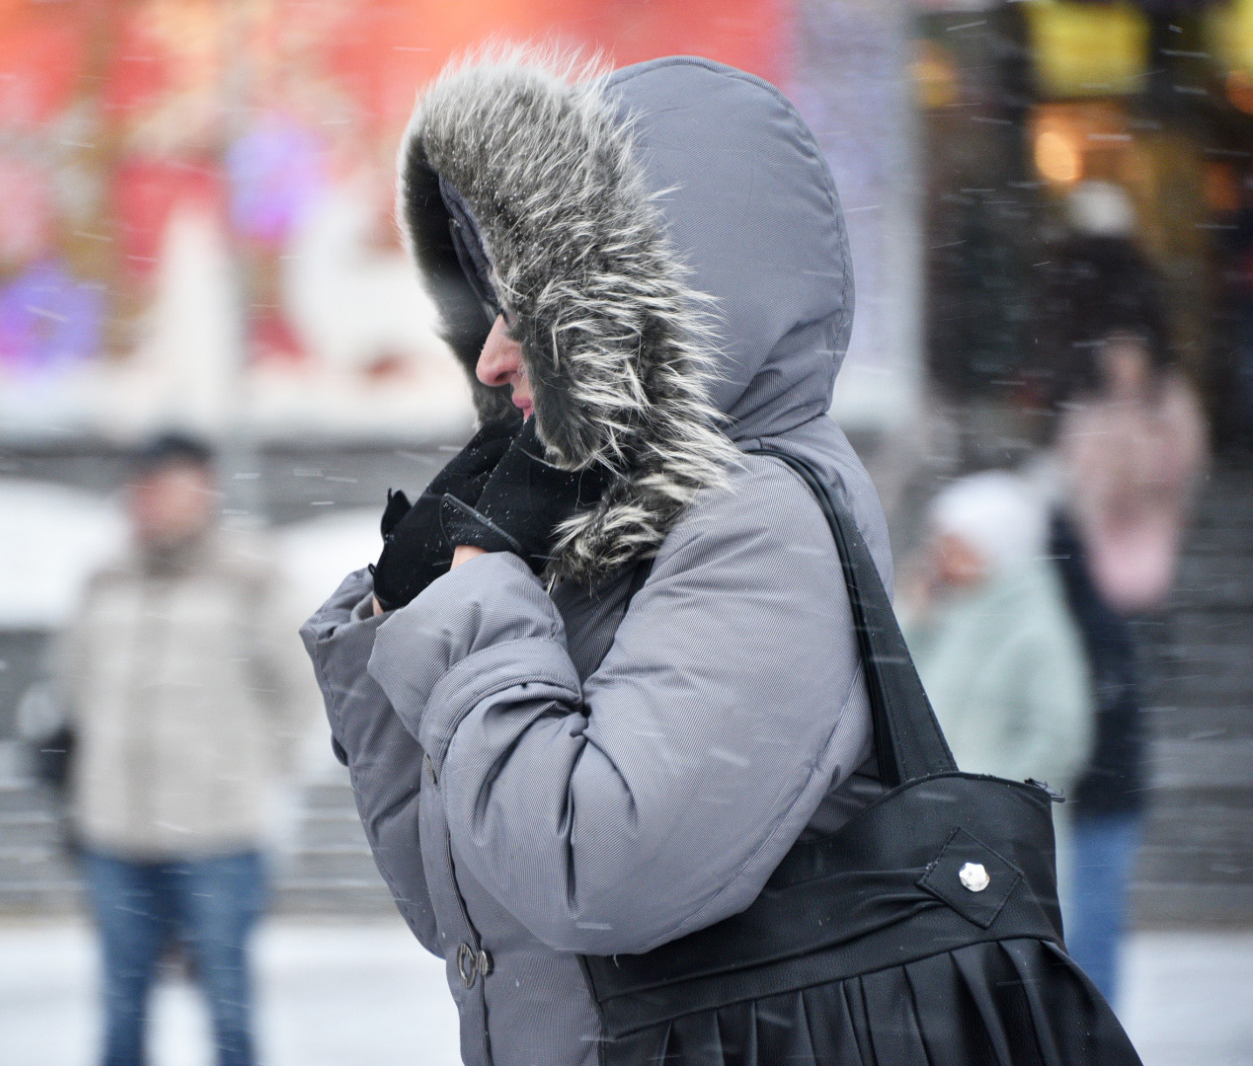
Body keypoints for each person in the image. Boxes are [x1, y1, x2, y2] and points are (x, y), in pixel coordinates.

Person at [301, 51, 987, 1065]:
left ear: (641, 316)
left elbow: (595, 876)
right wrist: (408, 600)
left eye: (531, 313)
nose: (491, 357)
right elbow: (463, 910)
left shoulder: (761, 520)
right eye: (492, 305)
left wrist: (474, 602)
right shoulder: (598, 520)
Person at [53, 434, 307, 1066]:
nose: (152, 503)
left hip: (216, 832)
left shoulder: (250, 576)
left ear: (205, 489)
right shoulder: (104, 580)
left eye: (168, 486)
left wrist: (248, 770)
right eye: (142, 488)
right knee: (121, 1003)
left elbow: (297, 691)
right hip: (116, 832)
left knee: (228, 1001)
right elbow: (74, 686)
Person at [1035, 206, 1207, 1000]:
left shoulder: (1160, 404)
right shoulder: (1088, 407)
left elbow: (1167, 475)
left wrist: (1137, 416)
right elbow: (1091, 481)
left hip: (1131, 585)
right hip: (1098, 582)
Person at [897, 472, 1095, 872]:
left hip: (1003, 844)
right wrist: (912, 617)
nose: (938, 559)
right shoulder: (953, 613)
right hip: (942, 830)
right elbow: (901, 688)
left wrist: (988, 798)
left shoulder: (1034, 627)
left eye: (952, 546)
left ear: (991, 547)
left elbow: (1061, 738)